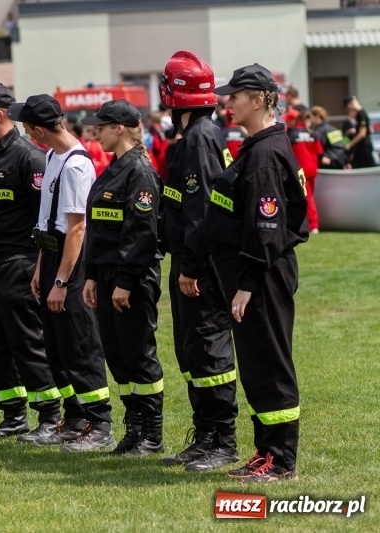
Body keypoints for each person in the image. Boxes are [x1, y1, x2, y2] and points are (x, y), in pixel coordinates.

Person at [207, 63, 308, 483]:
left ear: (261, 98)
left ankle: (279, 460)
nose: (227, 102)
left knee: (269, 364)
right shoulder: (258, 146)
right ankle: (266, 451)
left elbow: (265, 229)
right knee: (257, 363)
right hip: (255, 272)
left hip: (261, 274)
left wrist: (246, 285)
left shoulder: (265, 154)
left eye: (235, 95)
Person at [9, 94, 114, 452]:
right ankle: (74, 419)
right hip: (52, 256)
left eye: (25, 124)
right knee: (56, 346)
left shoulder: (75, 164)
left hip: (72, 263)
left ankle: (101, 423)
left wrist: (61, 282)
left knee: (80, 343)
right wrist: (41, 268)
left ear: (38, 130)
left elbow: (77, 229)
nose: (23, 130)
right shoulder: (52, 156)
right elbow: (47, 223)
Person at [0, 84, 61, 441]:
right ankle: (12, 415)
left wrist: (37, 265)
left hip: (17, 263)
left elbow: (44, 217)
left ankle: (50, 416)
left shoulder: (28, 156)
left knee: (27, 342)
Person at [157, 51, 240, 470]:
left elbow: (203, 210)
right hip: (187, 260)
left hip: (202, 266)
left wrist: (190, 266)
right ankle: (205, 434)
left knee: (210, 351)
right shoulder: (191, 137)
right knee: (191, 352)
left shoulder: (201, 138)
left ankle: (224, 440)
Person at [80, 100, 164, 456]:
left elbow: (142, 233)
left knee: (138, 353)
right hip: (108, 273)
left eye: (102, 126)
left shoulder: (139, 172)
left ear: (120, 128)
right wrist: (92, 276)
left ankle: (151, 433)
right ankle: (134, 429)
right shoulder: (112, 170)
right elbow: (99, 229)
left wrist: (125, 281)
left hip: (132, 277)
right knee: (117, 355)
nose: (96, 131)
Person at [285, 109, 323, 234]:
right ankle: (310, 224)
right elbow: (319, 152)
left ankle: (313, 225)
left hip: (301, 170)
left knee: (308, 198)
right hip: (313, 168)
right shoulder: (313, 134)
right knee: (310, 196)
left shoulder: (292, 134)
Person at [310, 105, 348, 170]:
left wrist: (326, 157)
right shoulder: (332, 128)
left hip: (329, 162)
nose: (310, 119)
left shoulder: (322, 130)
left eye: (311, 116)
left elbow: (338, 146)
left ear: (317, 116)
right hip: (337, 160)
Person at [342, 95, 376, 169]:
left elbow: (362, 133)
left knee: (363, 169)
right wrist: (356, 131)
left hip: (363, 147)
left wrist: (349, 145)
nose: (349, 111)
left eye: (348, 108)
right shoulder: (362, 113)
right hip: (364, 146)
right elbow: (369, 129)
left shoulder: (361, 114)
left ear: (350, 104)